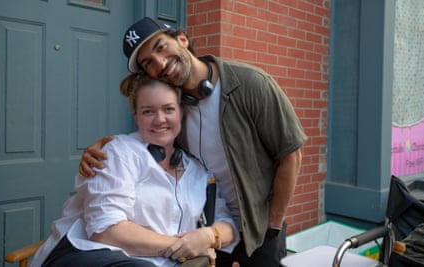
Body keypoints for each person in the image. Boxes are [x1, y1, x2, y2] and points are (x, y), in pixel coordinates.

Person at [80, 17, 307, 267]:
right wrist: (101, 148)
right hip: (209, 229)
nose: (161, 63)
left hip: (259, 228)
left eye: (160, 47)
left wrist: (272, 226)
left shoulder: (251, 83)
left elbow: (290, 154)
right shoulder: (175, 109)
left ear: (182, 39)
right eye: (149, 63)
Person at [30, 73, 238, 267]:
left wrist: (209, 236)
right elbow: (106, 229)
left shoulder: (199, 171)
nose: (159, 119)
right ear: (136, 116)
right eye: (148, 111)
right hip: (91, 254)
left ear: (181, 112)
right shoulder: (117, 153)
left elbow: (228, 224)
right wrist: (183, 248)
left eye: (168, 109)